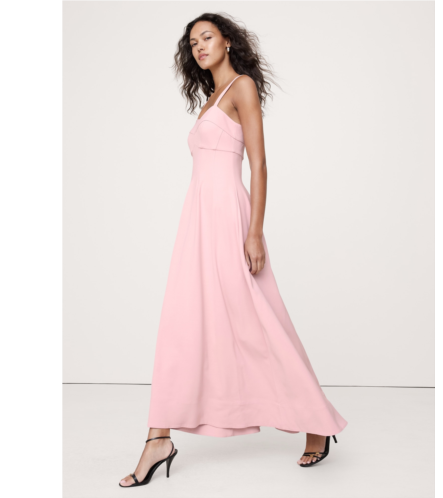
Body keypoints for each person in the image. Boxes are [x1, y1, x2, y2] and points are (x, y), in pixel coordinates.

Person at [119, 12, 347, 488]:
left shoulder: (241, 87)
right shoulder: (210, 98)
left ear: (227, 41)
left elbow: (259, 164)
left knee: (259, 322)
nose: (200, 46)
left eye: (207, 37)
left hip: (229, 218)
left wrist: (255, 232)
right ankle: (158, 437)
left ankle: (317, 421)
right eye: (193, 42)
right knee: (182, 322)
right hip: (197, 220)